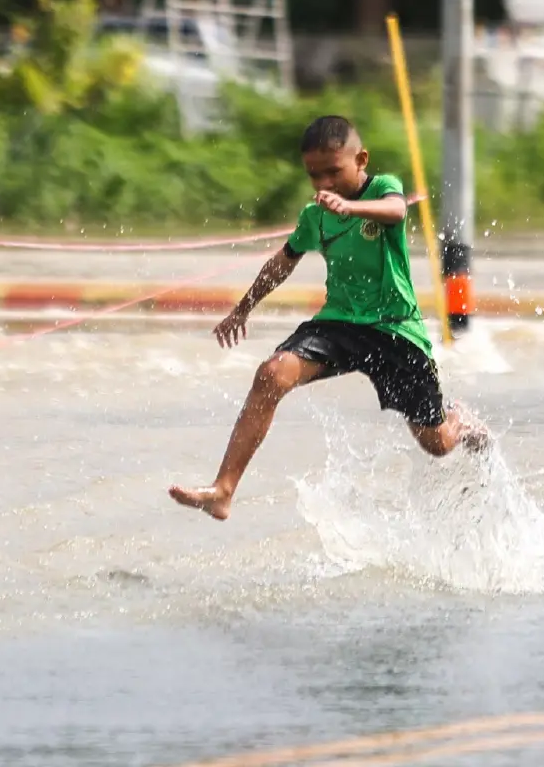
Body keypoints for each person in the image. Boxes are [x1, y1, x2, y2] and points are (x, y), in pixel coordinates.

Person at [168, 115, 491, 521]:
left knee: (437, 443)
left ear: (361, 159)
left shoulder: (381, 188)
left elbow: (393, 210)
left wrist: (351, 206)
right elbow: (281, 264)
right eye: (314, 175)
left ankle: (461, 420)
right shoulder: (314, 215)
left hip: (395, 330)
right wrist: (244, 307)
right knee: (271, 373)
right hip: (339, 323)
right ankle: (223, 491)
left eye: (334, 172)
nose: (324, 185)